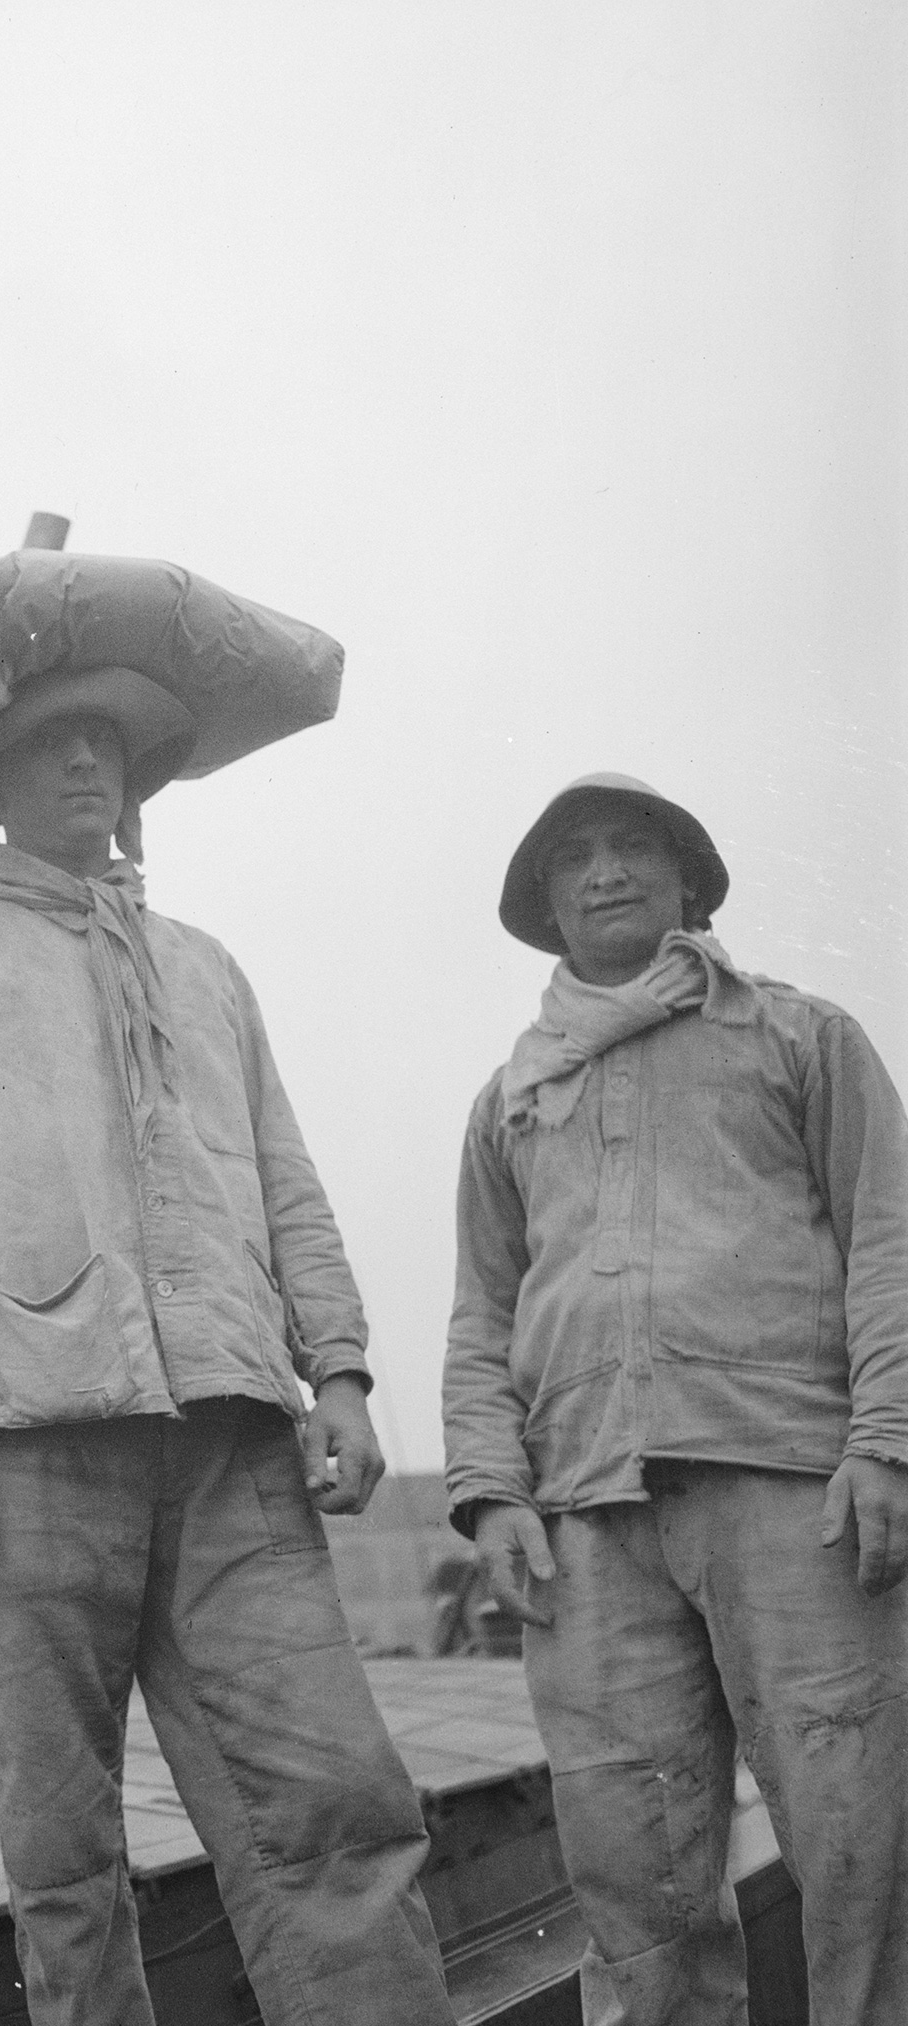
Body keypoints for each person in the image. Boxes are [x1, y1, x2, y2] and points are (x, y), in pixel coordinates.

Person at [0, 669, 455, 2026]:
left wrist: (336, 1368)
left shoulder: (205, 967)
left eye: (106, 742)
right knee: (64, 1846)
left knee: (338, 1796)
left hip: (232, 1436)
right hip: (25, 1436)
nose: (85, 767)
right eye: (50, 743)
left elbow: (286, 1179)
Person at [442, 772, 908, 2025]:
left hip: (794, 1495)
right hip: (587, 1517)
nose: (604, 871)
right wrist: (489, 1491)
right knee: (633, 1883)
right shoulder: (514, 1099)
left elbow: (889, 1240)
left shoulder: (801, 1038)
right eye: (574, 858)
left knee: (861, 1854)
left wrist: (889, 1443)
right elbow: (483, 1313)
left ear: (687, 878)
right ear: (545, 904)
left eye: (632, 846)